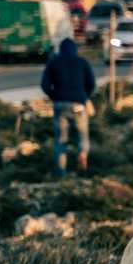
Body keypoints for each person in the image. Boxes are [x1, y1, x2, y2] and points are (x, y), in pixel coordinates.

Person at [39, 37, 96, 173]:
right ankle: (82, 154)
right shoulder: (82, 62)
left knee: (61, 138)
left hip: (60, 104)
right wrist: (84, 97)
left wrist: (54, 96)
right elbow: (91, 84)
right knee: (83, 134)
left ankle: (61, 170)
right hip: (78, 104)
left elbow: (44, 85)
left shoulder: (54, 62)